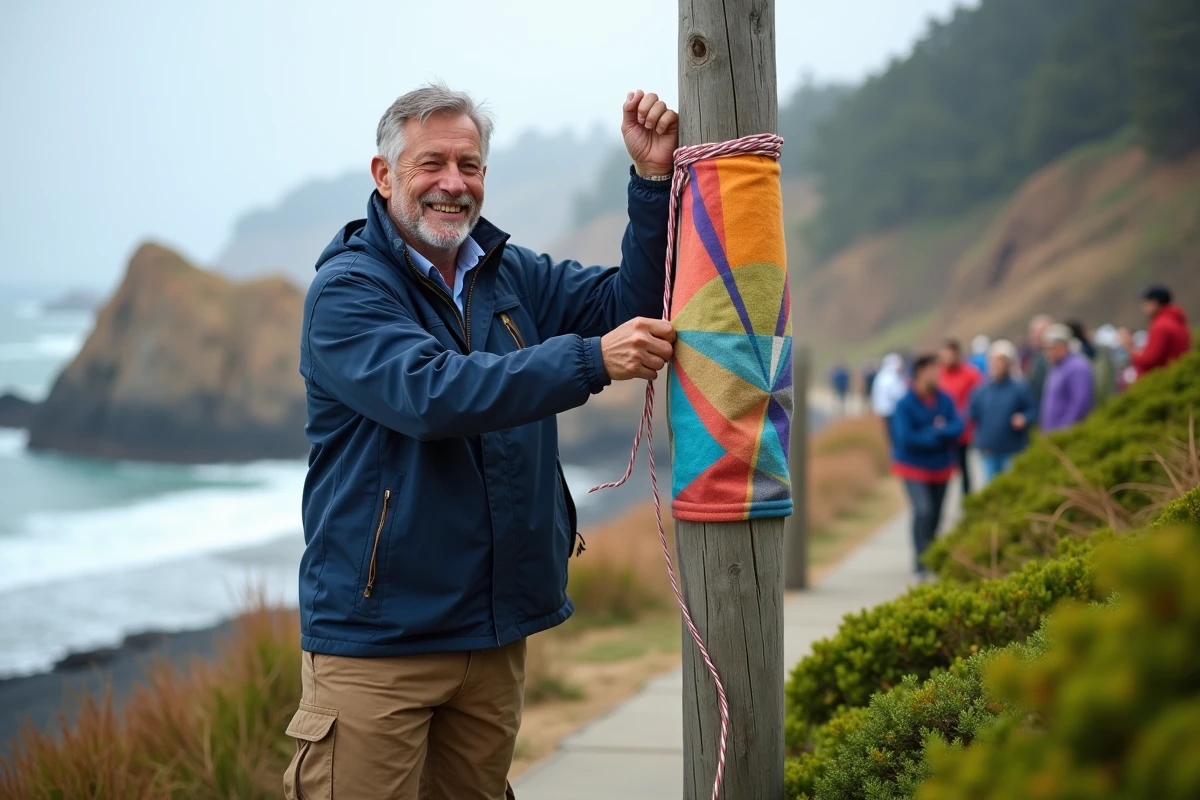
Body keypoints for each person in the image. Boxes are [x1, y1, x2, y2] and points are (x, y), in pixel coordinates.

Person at [285, 84, 680, 800]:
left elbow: (633, 305)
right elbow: (434, 395)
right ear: (384, 175)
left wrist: (652, 181)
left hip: (494, 633)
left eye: (469, 164)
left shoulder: (507, 272)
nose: (452, 183)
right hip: (379, 643)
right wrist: (591, 360)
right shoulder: (347, 293)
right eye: (430, 163)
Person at [891, 355, 963, 580]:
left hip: (941, 467)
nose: (937, 374)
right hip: (913, 468)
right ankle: (919, 562)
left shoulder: (945, 400)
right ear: (920, 372)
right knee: (923, 511)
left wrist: (936, 432)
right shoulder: (905, 403)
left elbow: (958, 426)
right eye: (933, 370)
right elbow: (906, 438)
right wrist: (937, 434)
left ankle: (931, 555)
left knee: (937, 515)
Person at [967, 340, 1036, 485]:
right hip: (989, 450)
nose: (997, 365)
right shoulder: (981, 390)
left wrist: (1024, 418)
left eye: (1001, 361)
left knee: (1012, 487)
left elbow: (1033, 411)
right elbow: (971, 413)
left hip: (1013, 450)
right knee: (991, 488)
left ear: (1009, 364)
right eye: (994, 361)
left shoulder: (1019, 388)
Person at [937, 339, 983, 495]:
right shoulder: (939, 375)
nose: (947, 359)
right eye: (944, 356)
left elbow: (980, 397)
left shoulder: (971, 374)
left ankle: (967, 497)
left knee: (964, 467)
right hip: (944, 431)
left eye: (950, 355)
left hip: (964, 430)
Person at [1120, 285, 1191, 377]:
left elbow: (1149, 361)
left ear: (1154, 303)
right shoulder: (1176, 320)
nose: (1143, 308)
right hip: (1178, 375)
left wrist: (1130, 347)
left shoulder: (1161, 326)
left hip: (1166, 380)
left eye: (1146, 303)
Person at [1040, 323, 1095, 433]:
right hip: (1053, 435)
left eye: (1049, 348)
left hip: (1068, 437)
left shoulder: (1077, 367)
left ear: (1062, 346)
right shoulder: (1056, 368)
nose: (1047, 353)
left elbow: (1080, 402)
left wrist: (1064, 431)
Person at [871, 353, 907, 444]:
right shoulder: (891, 376)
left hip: (883, 410)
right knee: (896, 435)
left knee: (889, 435)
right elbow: (898, 393)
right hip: (892, 410)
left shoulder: (881, 375)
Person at [1026, 314, 1054, 408]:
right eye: (1032, 332)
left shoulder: (1052, 360)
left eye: (1036, 332)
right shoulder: (1036, 357)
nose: (1033, 336)